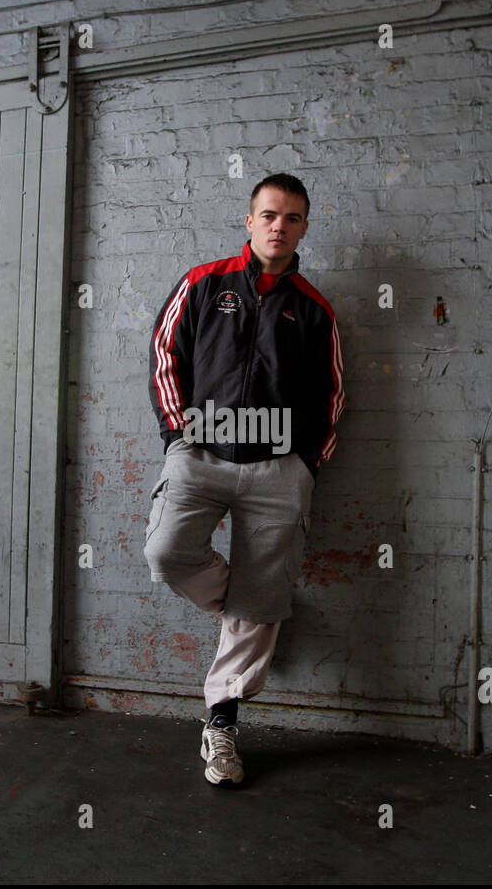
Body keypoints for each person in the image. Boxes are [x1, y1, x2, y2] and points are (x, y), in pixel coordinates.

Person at [144, 173, 345, 787]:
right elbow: (164, 354)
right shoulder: (205, 283)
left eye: (291, 217)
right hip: (201, 452)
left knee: (261, 596)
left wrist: (306, 463)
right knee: (167, 553)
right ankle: (258, 605)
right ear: (249, 220)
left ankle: (222, 721)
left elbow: (332, 392)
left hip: (279, 468)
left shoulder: (313, 307)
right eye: (268, 214)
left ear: (305, 226)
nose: (278, 225)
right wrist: (180, 434)